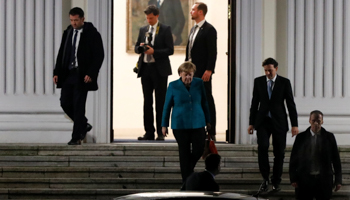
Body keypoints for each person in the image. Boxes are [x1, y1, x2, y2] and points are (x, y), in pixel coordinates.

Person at [53, 7, 104, 145]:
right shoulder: (68, 32)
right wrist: (56, 72)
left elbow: (99, 56)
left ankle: (76, 137)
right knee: (65, 102)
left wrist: (91, 74)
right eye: (71, 20)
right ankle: (83, 124)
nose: (74, 23)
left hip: (82, 75)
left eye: (76, 20)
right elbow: (61, 53)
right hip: (68, 73)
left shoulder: (92, 34)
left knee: (78, 105)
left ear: (83, 19)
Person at [248, 57, 299, 192]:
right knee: (263, 147)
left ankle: (276, 181)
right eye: (265, 71)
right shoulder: (258, 82)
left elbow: (290, 104)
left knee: (279, 153)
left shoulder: (284, 82)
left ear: (276, 68)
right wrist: (251, 123)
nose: (267, 73)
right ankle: (265, 178)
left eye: (270, 70)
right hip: (263, 121)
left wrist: (295, 125)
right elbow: (254, 103)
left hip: (279, 122)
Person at [162, 61, 210, 183]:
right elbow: (167, 106)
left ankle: (188, 172)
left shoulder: (199, 83)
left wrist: (208, 121)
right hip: (180, 124)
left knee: (199, 149)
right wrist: (164, 125)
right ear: (180, 74)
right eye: (185, 74)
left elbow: (205, 102)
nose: (188, 77)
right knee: (184, 152)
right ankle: (186, 181)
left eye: (190, 74)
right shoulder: (173, 86)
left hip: (198, 122)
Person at [135, 5, 174, 141]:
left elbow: (170, 50)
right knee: (147, 102)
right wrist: (140, 48)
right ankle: (149, 132)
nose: (149, 20)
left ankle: (161, 132)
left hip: (160, 70)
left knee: (160, 102)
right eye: (147, 18)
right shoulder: (143, 29)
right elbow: (136, 48)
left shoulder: (165, 29)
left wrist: (154, 52)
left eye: (151, 18)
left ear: (157, 16)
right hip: (145, 69)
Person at [289, 110, 342, 200]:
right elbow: (294, 158)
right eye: (314, 121)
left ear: (322, 121)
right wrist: (293, 178)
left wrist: (338, 180)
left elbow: (336, 160)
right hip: (305, 179)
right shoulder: (301, 137)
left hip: (323, 180)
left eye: (319, 121)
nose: (316, 123)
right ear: (309, 121)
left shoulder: (329, 137)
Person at [185, 2, 217, 141]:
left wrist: (209, 70)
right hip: (190, 72)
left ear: (200, 12)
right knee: (191, 100)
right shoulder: (193, 29)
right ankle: (195, 130)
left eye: (193, 9)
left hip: (203, 72)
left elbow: (212, 52)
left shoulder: (209, 29)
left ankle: (211, 131)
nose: (191, 11)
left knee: (206, 100)